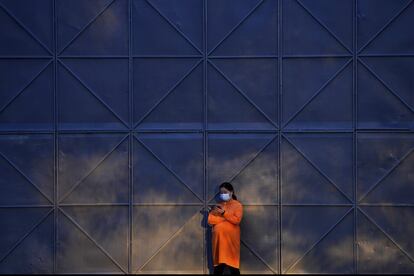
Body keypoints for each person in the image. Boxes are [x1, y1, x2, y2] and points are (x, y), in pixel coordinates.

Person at [208, 182, 243, 275]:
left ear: (231, 192)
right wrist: (226, 217)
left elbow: (236, 220)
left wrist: (223, 214)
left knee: (234, 268)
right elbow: (210, 220)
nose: (223, 194)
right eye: (221, 192)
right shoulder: (218, 206)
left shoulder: (237, 205)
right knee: (218, 268)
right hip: (218, 242)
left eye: (225, 192)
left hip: (230, 242)